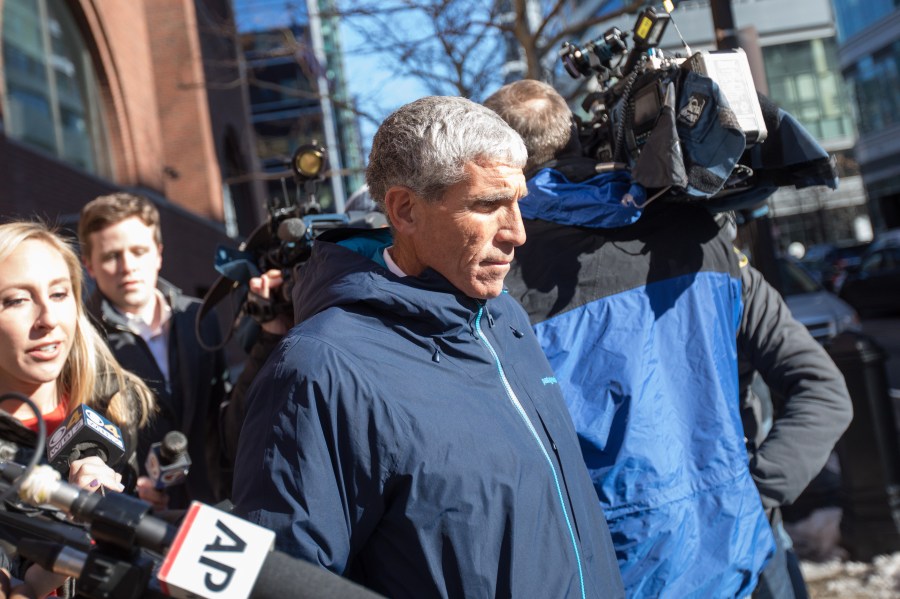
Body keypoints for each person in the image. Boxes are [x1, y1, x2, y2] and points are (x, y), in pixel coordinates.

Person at [231, 95, 624, 598]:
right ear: (404, 209)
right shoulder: (320, 368)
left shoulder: (503, 316)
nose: (517, 233)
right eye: (487, 205)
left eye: (518, 203)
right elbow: (283, 580)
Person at [484, 79, 853, 598]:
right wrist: (753, 493)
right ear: (575, 140)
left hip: (616, 569)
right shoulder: (703, 238)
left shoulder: (498, 283)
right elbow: (826, 392)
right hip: (743, 557)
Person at [0, 221, 155, 598]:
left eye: (58, 294)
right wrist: (73, 536)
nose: (48, 321)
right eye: (17, 300)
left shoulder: (115, 401)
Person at [77, 193, 229, 508]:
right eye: (111, 256)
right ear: (89, 265)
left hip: (213, 500)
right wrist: (129, 487)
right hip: (140, 514)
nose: (127, 266)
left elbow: (219, 414)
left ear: (158, 254)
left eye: (139, 251)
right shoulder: (80, 339)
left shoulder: (201, 318)